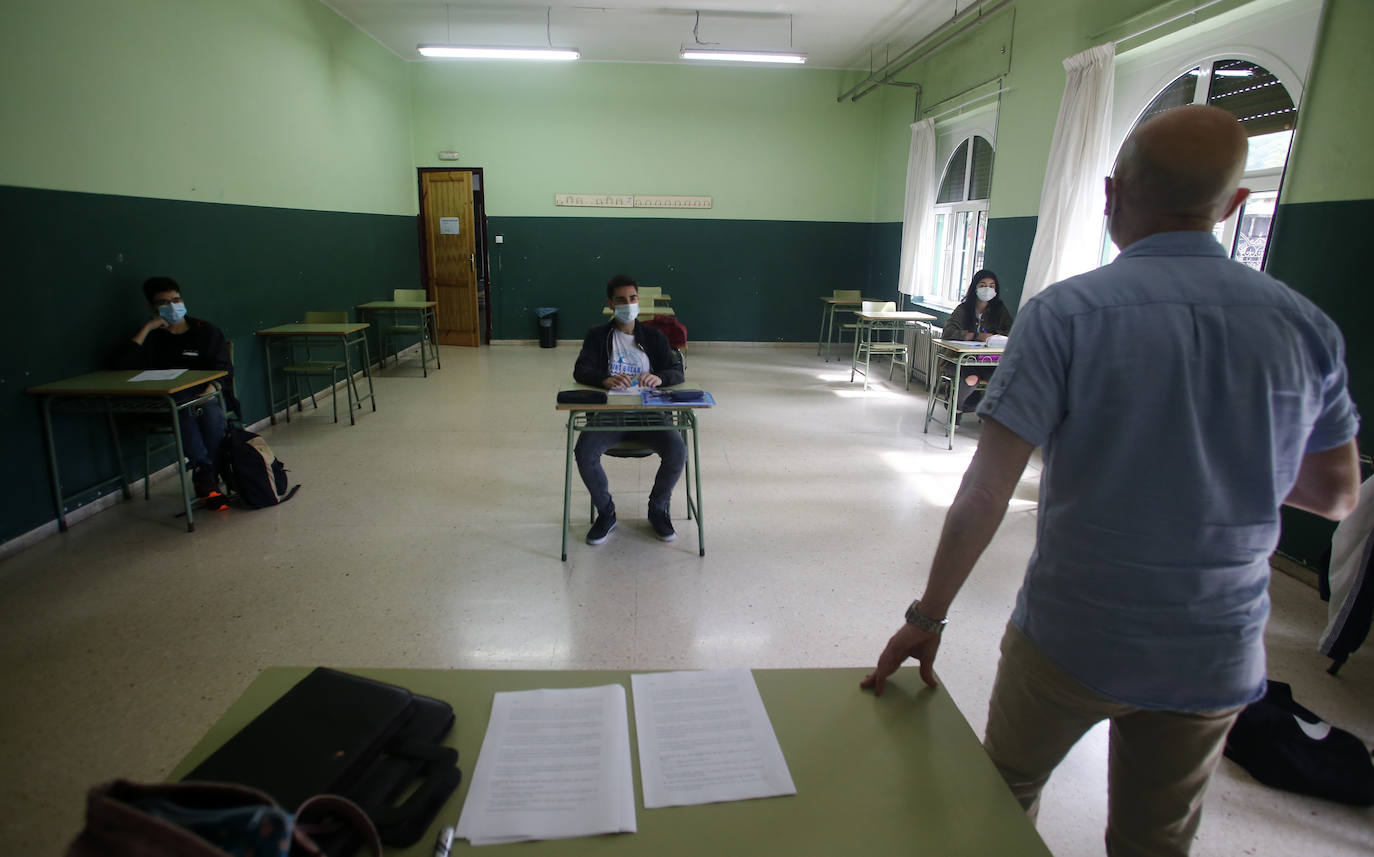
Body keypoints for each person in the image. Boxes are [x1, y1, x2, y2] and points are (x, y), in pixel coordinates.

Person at [861, 105, 1360, 857]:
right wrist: (1228, 462)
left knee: (1000, 805)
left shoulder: (1064, 314)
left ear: (1108, 193)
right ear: (1234, 206)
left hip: (1070, 636)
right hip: (1213, 649)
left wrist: (927, 617)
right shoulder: (1305, 326)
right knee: (1156, 839)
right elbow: (1335, 494)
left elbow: (984, 490)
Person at [572, 274, 687, 545]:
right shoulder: (598, 336)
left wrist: (660, 378)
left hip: (651, 412)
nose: (628, 304)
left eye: (632, 299)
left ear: (638, 301)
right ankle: (606, 513)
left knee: (677, 450)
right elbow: (581, 369)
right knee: (584, 452)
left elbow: (676, 370)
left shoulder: (654, 337)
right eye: (621, 300)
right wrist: (603, 379)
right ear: (610, 304)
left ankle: (658, 509)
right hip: (612, 412)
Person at [116, 276, 239, 508]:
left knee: (207, 410)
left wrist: (208, 390)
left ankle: (204, 473)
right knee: (183, 408)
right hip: (165, 403)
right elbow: (122, 368)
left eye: (176, 299)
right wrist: (147, 328)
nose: (172, 306)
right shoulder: (151, 338)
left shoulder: (205, 331)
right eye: (164, 302)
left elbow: (224, 369)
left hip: (204, 396)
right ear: (152, 307)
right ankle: (208, 471)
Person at [941, 269, 1012, 413]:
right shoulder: (963, 309)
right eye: (983, 285)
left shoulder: (1000, 310)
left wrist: (994, 337)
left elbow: (1011, 331)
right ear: (975, 287)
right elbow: (947, 333)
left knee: (1004, 380)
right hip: (960, 360)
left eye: (992, 286)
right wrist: (974, 336)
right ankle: (956, 410)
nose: (987, 289)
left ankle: (991, 418)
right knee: (972, 379)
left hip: (987, 360)